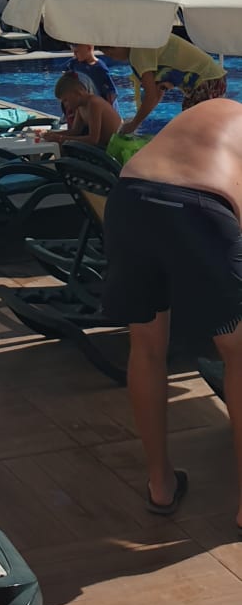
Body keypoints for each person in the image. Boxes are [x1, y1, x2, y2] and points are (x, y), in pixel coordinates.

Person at [102, 100, 242, 524]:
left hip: (130, 200)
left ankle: (160, 485)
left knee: (146, 348)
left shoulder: (216, 110)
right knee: (238, 354)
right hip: (200, 207)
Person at [104, 34, 227, 135]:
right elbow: (157, 93)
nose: (111, 56)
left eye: (111, 50)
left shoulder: (138, 51)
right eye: (106, 53)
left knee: (192, 133)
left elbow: (151, 96)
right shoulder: (142, 44)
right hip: (212, 78)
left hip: (206, 80)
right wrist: (135, 124)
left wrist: (133, 124)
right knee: (195, 130)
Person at [53, 72, 121, 151]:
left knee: (63, 146)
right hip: (103, 147)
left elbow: (93, 139)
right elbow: (75, 131)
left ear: (77, 92)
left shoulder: (93, 103)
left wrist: (61, 138)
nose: (65, 105)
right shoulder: (80, 107)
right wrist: (52, 135)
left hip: (114, 150)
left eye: (66, 100)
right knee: (61, 145)